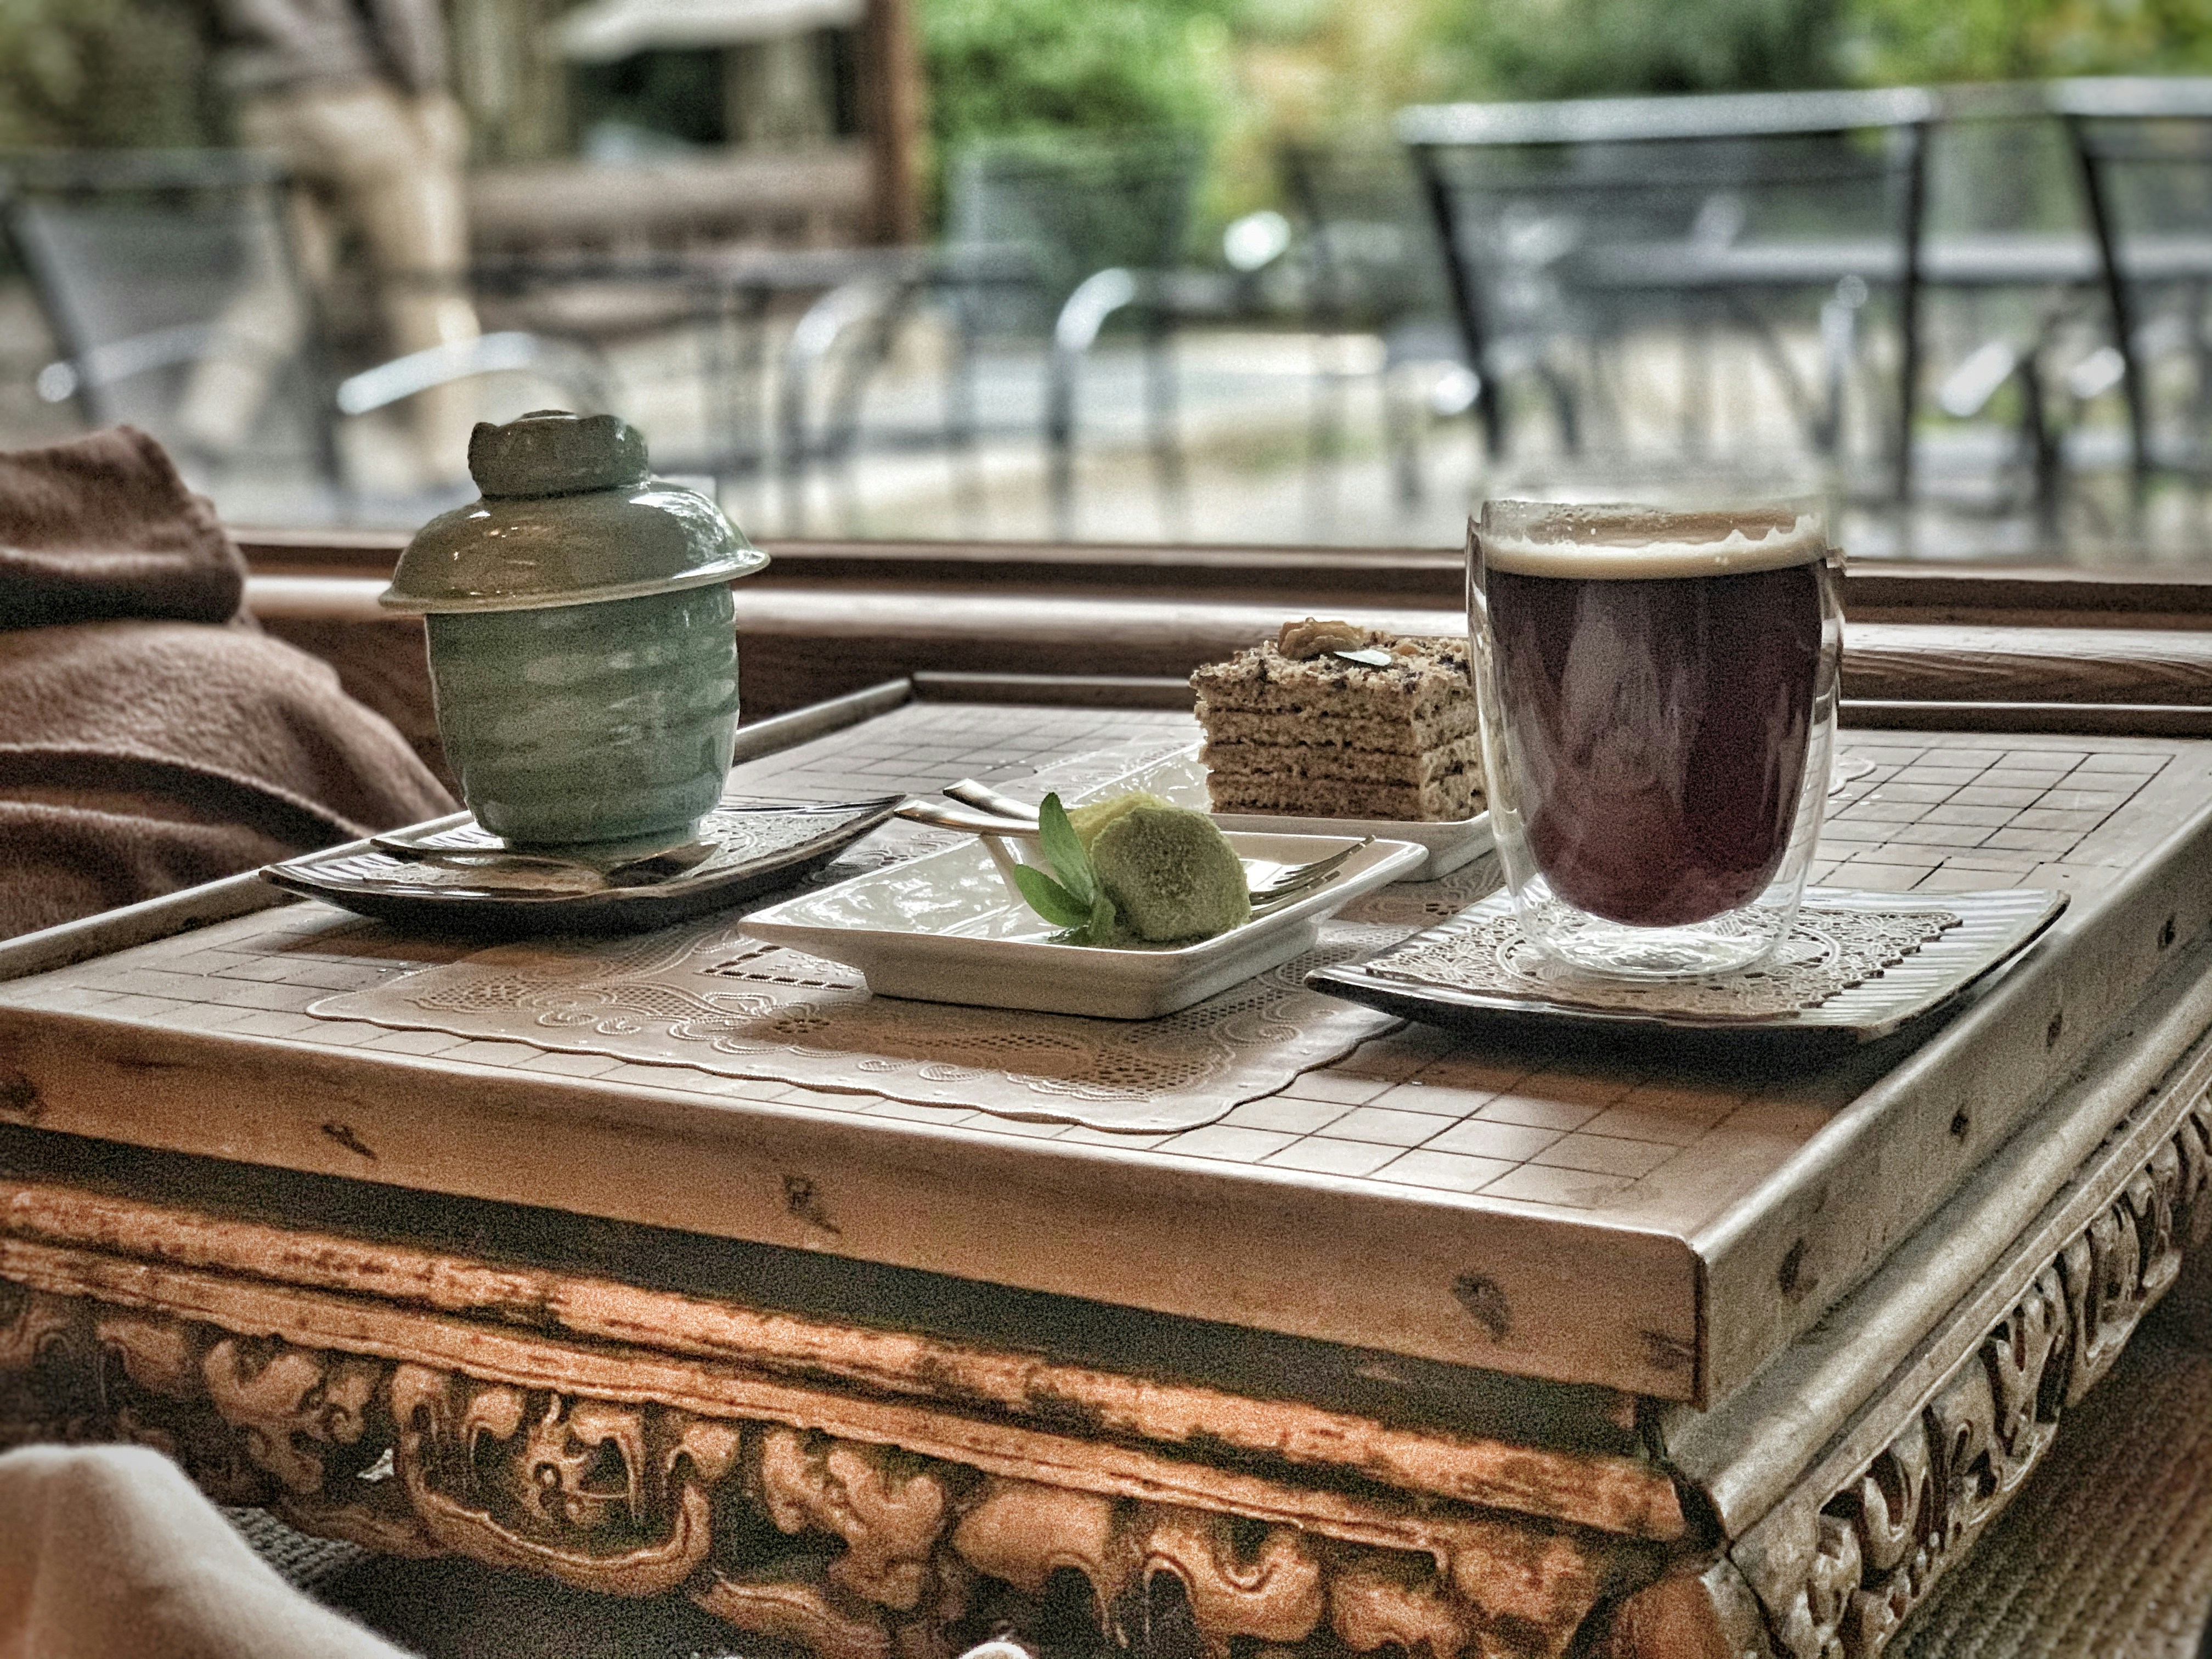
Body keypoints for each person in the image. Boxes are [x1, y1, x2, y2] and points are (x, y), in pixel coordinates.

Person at [180, 0, 482, 488]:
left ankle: (204, 438)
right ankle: (450, 460)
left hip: (272, 112)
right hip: (361, 101)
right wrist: (427, 94)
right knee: (428, 287)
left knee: (275, 288)